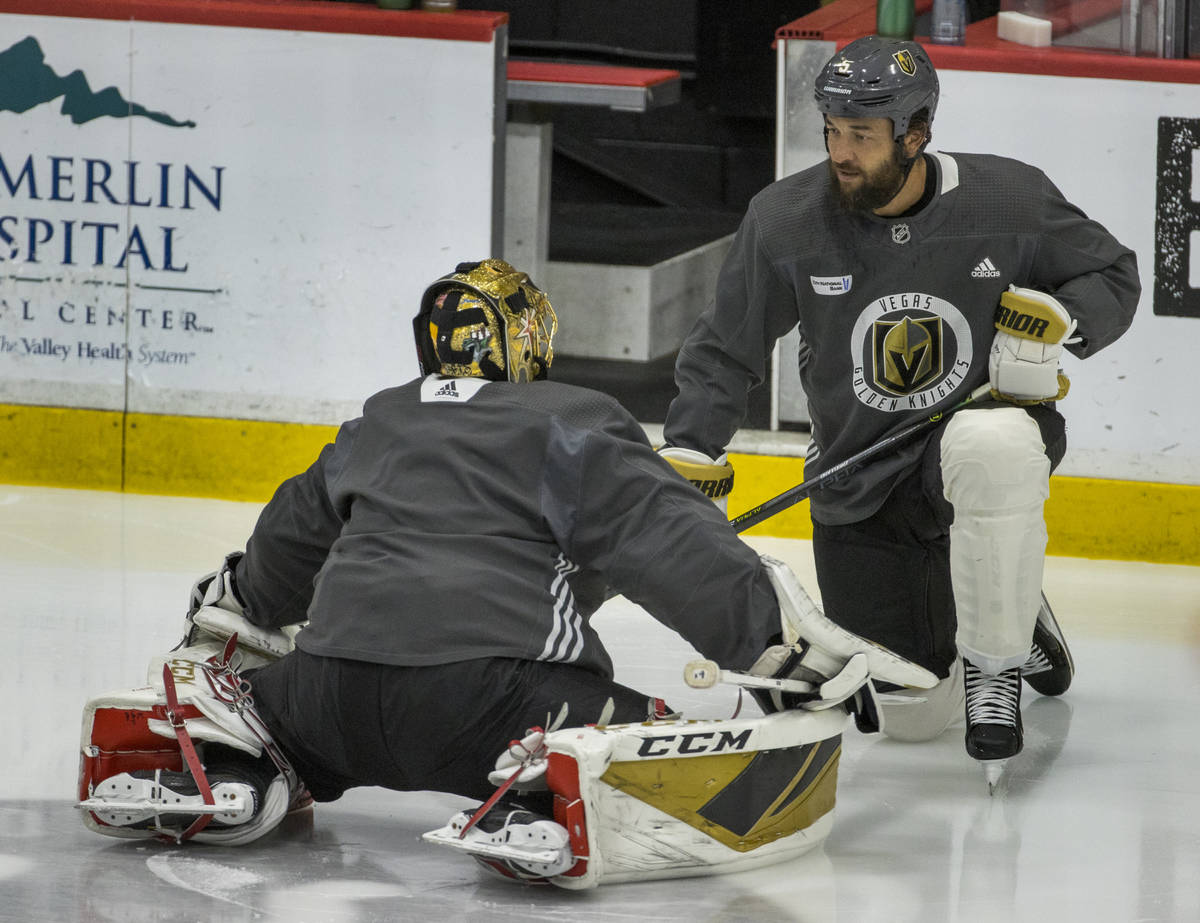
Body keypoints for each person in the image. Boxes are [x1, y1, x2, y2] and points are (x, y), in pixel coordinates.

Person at [77, 258, 935, 883]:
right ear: (528, 342)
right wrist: (778, 653)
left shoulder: (379, 421)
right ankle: (540, 784)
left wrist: (240, 612)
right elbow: (666, 544)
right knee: (636, 723)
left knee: (281, 708)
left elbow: (282, 552)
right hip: (485, 703)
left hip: (325, 696)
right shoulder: (570, 421)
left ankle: (240, 757)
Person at [659, 37, 1140, 776]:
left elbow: (1113, 273)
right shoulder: (785, 219)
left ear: (916, 133)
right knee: (909, 719)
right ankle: (1015, 599)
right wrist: (695, 447)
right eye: (832, 129)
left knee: (998, 445)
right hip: (859, 475)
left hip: (971, 442)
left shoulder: (1008, 199)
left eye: (862, 135)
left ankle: (996, 665)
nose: (841, 151)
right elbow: (728, 347)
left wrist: (1058, 319)